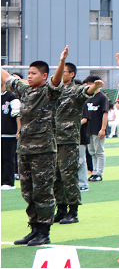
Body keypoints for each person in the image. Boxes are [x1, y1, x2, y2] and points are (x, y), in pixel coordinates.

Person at [4, 47, 100, 246]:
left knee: (43, 192)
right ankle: (34, 228)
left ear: (44, 76)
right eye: (28, 73)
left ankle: (44, 231)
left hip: (43, 150)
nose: (29, 77)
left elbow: (56, 81)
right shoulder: (25, 89)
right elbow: (7, 78)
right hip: (25, 149)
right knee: (27, 192)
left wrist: (62, 60)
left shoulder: (49, 92)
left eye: (33, 73)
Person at [52, 62, 96, 225]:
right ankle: (61, 209)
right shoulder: (54, 90)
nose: (60, 74)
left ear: (71, 74)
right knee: (55, 176)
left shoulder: (76, 89)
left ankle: (73, 211)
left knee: (68, 175)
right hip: (53, 138)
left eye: (63, 72)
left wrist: (95, 85)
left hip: (68, 139)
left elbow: (87, 91)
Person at [83, 68, 110, 181]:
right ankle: (94, 172)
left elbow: (105, 113)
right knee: (92, 152)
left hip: (98, 128)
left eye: (89, 84)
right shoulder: (88, 97)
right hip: (89, 128)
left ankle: (99, 173)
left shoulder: (102, 97)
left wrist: (103, 129)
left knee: (99, 151)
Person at [2, 86, 21, 189]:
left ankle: (8, 182)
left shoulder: (11, 96)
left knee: (8, 158)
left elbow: (17, 113)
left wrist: (18, 130)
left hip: (9, 132)